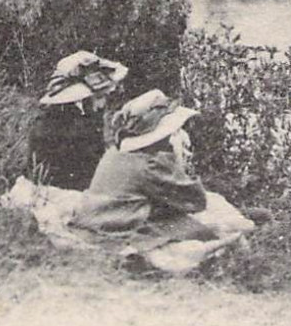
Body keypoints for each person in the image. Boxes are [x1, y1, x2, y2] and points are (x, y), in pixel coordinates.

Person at [71, 89, 221, 246]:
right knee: (203, 233)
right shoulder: (151, 164)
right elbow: (195, 202)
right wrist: (178, 159)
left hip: (95, 219)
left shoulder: (115, 153)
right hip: (114, 228)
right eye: (177, 130)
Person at [27, 50, 128, 190]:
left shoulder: (80, 115)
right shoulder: (69, 124)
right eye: (99, 97)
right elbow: (85, 170)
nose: (103, 104)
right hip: (60, 190)